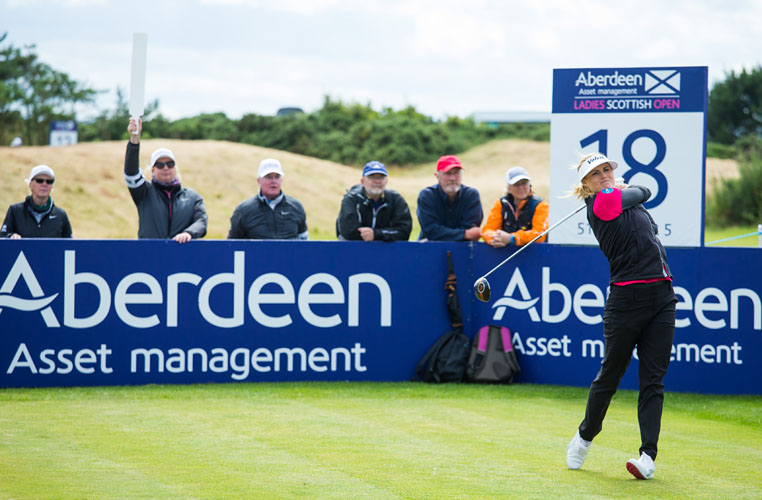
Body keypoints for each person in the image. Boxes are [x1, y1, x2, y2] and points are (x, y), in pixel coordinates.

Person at [565, 153, 677, 480]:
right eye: (595, 174)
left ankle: (648, 456)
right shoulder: (600, 204)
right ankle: (585, 436)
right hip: (626, 300)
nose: (604, 176)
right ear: (585, 184)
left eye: (607, 170)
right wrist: (622, 189)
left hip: (661, 296)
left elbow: (647, 221)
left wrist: (623, 192)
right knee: (610, 375)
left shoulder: (624, 203)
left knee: (653, 380)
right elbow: (646, 190)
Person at [125, 118, 207, 243]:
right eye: (160, 165)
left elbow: (201, 221)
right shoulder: (144, 192)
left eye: (170, 164)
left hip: (181, 257)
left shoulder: (192, 197)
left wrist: (188, 233)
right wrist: (134, 140)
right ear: (152, 170)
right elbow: (131, 172)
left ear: (175, 167)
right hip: (150, 256)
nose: (166, 168)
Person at [228, 158, 308, 240]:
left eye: (277, 177)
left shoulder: (296, 207)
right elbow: (231, 245)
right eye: (268, 177)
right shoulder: (243, 211)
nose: (273, 181)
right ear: (259, 181)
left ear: (281, 180)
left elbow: (305, 242)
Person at [336, 161, 412, 241]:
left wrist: (376, 234)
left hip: (387, 251)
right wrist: (385, 235)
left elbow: (404, 232)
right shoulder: (351, 199)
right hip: (354, 250)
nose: (377, 181)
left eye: (381, 177)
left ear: (386, 181)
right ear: (362, 182)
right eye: (372, 177)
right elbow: (348, 232)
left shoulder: (396, 200)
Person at [416, 155, 483, 241]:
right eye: (448, 173)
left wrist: (465, 234)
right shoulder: (427, 196)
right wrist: (465, 234)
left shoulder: (471, 195)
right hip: (430, 249)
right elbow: (431, 231)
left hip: (463, 250)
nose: (452, 178)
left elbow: (472, 231)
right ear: (437, 176)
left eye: (456, 173)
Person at [481, 166, 549, 247]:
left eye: (524, 183)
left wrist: (512, 238)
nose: (521, 187)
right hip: (504, 253)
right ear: (508, 188)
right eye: (516, 184)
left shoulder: (541, 205)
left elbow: (539, 235)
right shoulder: (500, 204)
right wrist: (494, 239)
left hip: (537, 255)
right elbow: (486, 230)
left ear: (530, 185)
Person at [1, 164, 72, 238]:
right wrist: (11, 236)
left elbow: (71, 245)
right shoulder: (15, 211)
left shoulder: (61, 215)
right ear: (30, 184)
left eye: (49, 181)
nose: (44, 184)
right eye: (39, 180)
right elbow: (3, 239)